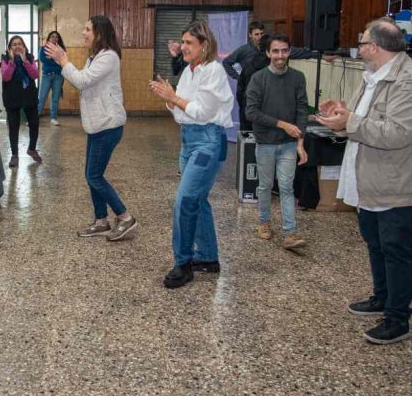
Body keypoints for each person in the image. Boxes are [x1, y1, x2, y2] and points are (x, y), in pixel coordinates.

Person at [315, 18, 412, 345]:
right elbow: (360, 122)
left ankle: (397, 318)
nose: (358, 46)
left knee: (396, 251)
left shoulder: (406, 81)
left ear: (375, 47)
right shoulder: (371, 77)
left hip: (396, 185)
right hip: (367, 180)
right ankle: (382, 298)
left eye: (362, 41)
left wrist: (351, 120)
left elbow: (398, 133)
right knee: (375, 244)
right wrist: (339, 117)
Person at [149, 20, 233, 289]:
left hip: (208, 141)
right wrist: (170, 98)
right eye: (182, 42)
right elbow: (181, 114)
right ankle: (208, 257)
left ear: (204, 45)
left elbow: (202, 112)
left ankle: (183, 263)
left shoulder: (214, 71)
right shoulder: (189, 71)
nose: (182, 47)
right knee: (198, 200)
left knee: (184, 201)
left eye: (188, 43)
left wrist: (173, 98)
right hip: (189, 140)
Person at [45, 15, 137, 242]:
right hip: (97, 125)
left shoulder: (109, 57)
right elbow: (83, 79)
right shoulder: (96, 56)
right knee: (92, 175)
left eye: (87, 29)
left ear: (99, 33)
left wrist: (63, 60)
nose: (83, 33)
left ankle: (125, 218)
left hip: (108, 125)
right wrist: (62, 62)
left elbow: (83, 81)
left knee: (94, 176)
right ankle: (101, 221)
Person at [245, 34, 309, 249]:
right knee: (264, 186)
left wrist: (300, 142)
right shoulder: (258, 78)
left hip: (289, 144)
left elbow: (302, 110)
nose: (280, 55)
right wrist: (282, 124)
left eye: (284, 50)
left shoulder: (298, 77)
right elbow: (251, 112)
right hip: (265, 143)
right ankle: (264, 222)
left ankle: (290, 233)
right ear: (268, 53)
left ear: (289, 52)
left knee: (286, 187)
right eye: (275, 51)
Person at [1, 35, 41, 167]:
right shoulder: (5, 59)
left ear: (24, 46)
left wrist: (25, 61)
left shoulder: (29, 58)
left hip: (29, 95)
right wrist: (12, 62)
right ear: (10, 48)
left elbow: (35, 75)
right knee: (13, 126)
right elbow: (6, 77)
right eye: (14, 44)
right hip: (12, 96)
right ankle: (14, 155)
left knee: (34, 123)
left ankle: (32, 149)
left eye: (20, 44)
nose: (17, 46)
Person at [37, 31, 66, 126]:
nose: (54, 38)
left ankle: (53, 118)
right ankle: (35, 117)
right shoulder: (43, 48)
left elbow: (63, 62)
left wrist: (53, 59)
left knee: (55, 98)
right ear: (49, 38)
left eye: (56, 37)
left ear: (58, 39)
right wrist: (56, 60)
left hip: (58, 76)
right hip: (47, 75)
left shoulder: (61, 49)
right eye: (52, 36)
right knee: (42, 97)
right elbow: (43, 59)